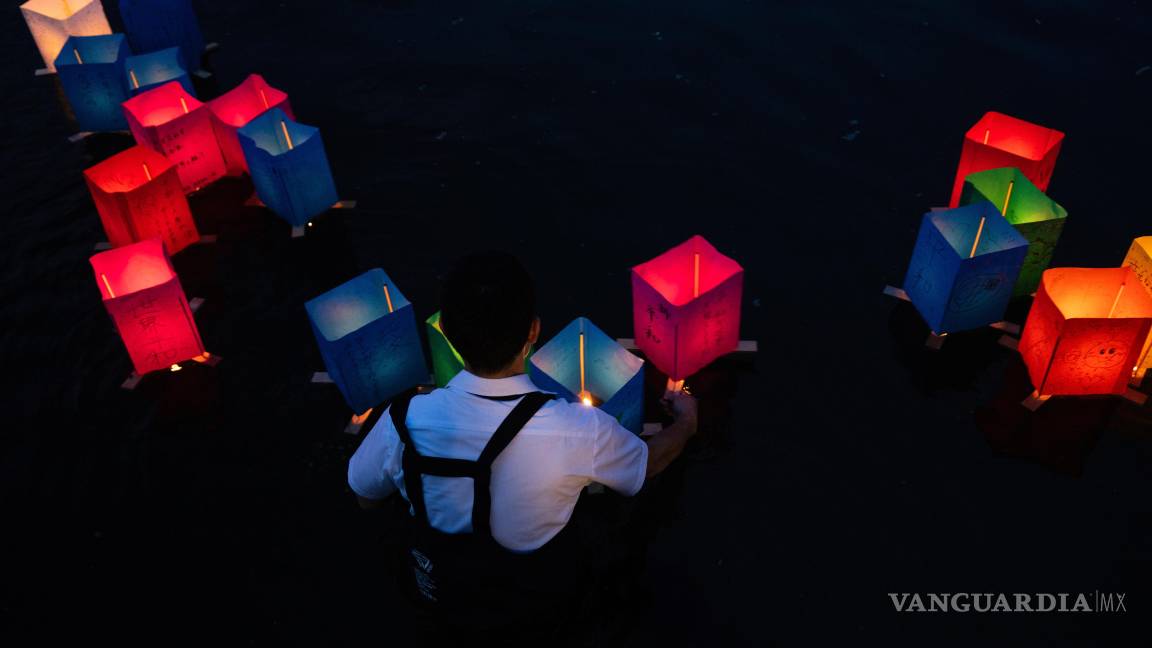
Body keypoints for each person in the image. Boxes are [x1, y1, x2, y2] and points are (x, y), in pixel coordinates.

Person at [347, 251, 698, 634]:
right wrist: (687, 422)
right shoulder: (577, 428)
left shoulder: (402, 421)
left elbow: (365, 497)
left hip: (444, 599)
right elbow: (647, 464)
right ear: (533, 332)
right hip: (536, 603)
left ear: (445, 330)